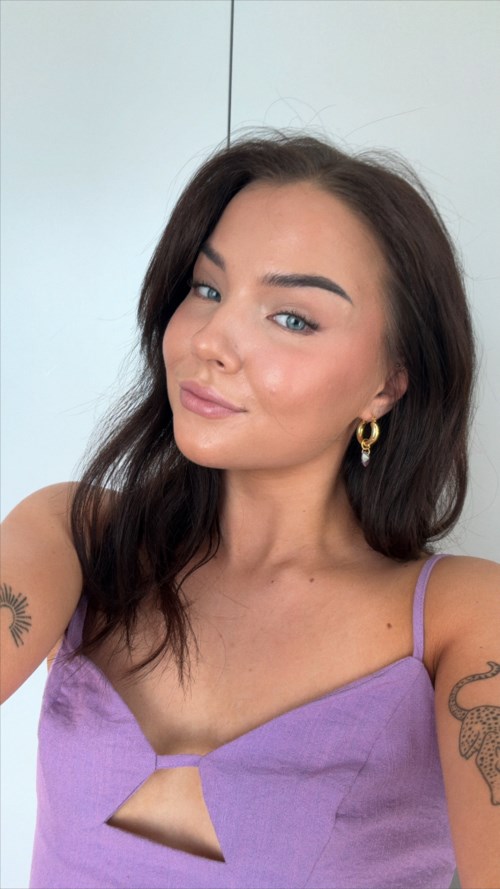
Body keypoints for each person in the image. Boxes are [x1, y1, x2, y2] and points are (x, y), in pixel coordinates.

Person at [1, 131, 499, 889]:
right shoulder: (80, 539)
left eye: (292, 317)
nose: (210, 341)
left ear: (387, 386)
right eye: (207, 289)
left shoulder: (462, 618)